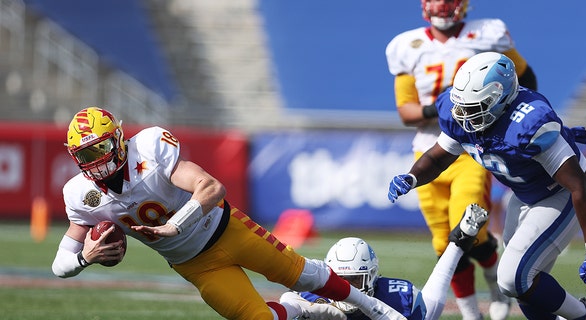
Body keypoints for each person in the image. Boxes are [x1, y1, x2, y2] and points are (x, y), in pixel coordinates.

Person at [51, 106, 408, 320]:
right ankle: (306, 311)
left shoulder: (149, 147)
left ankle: (372, 307)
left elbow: (211, 188)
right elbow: (60, 265)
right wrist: (86, 257)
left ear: (118, 139)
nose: (93, 161)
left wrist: (176, 225)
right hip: (195, 265)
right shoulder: (81, 195)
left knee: (298, 275)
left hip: (226, 229)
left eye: (98, 148)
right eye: (84, 155)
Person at [387, 52, 586, 319]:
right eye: (463, 107)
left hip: (558, 195)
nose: (465, 117)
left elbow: (579, 185)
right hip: (524, 194)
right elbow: (438, 158)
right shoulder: (462, 116)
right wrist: (412, 177)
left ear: (501, 99)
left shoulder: (528, 123)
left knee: (512, 277)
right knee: (524, 282)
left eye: (475, 108)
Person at [384, 1, 537, 318]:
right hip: (428, 148)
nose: (440, 4)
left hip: (471, 147)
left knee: (472, 231)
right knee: (443, 243)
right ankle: (470, 312)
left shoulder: (486, 34)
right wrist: (443, 108)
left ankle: (496, 287)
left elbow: (523, 78)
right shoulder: (407, 46)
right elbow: (406, 111)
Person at [284, 203, 491, 320]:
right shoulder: (310, 296)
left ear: (371, 276)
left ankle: (458, 243)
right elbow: (286, 304)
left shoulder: (396, 296)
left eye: (354, 280)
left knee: (426, 314)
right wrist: (304, 309)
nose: (345, 288)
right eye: (340, 279)